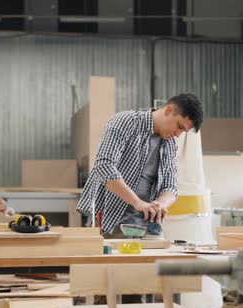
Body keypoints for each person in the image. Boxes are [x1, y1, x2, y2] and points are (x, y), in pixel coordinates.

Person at [77, 93, 203, 239]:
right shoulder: (126, 122)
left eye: (183, 131)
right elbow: (104, 166)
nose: (178, 134)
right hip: (113, 221)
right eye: (179, 126)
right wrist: (138, 203)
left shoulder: (170, 144)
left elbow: (171, 186)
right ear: (169, 110)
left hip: (149, 226)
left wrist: (160, 204)